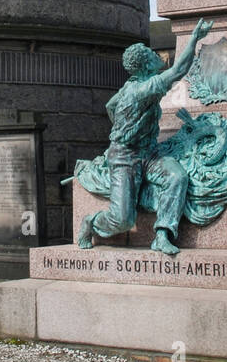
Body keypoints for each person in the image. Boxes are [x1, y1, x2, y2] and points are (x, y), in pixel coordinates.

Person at [77, 17, 214, 255]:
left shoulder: (131, 84)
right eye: (151, 55)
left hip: (149, 153)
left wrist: (127, 128)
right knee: (123, 220)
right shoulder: (142, 90)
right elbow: (179, 70)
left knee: (177, 176)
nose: (157, 56)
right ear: (144, 66)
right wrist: (194, 38)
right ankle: (91, 223)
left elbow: (110, 105)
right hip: (125, 159)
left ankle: (162, 234)